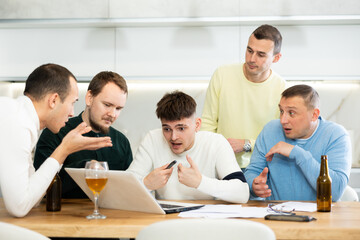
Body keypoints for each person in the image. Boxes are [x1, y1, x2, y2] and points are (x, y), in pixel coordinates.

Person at [0, 64, 113, 217]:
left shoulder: (21, 119)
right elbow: (19, 207)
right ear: (53, 100)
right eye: (72, 102)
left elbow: (32, 198)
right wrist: (64, 149)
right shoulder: (18, 123)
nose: (73, 113)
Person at [127, 91, 249, 203]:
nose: (173, 137)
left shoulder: (215, 142)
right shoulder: (152, 139)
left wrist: (200, 182)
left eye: (181, 128)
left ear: (197, 125)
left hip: (205, 221)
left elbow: (242, 193)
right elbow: (124, 188)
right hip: (165, 220)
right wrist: (146, 184)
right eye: (167, 129)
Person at [34, 71, 133, 198]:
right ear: (89, 98)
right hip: (62, 216)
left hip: (109, 216)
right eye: (107, 105)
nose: (113, 114)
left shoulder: (122, 142)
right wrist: (83, 168)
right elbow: (41, 186)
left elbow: (128, 189)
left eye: (118, 108)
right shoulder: (56, 131)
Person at [244, 84, 351, 201]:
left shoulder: (336, 135)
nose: (283, 120)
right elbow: (253, 171)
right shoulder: (270, 130)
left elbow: (335, 192)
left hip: (320, 217)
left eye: (291, 113)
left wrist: (297, 153)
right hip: (276, 215)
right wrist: (254, 185)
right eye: (281, 111)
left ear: (314, 115)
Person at [201, 24, 286, 169]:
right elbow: (207, 124)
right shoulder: (222, 74)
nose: (251, 59)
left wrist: (247, 144)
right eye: (249, 50)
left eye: (261, 54)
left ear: (276, 58)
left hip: (262, 167)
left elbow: (280, 138)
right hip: (221, 165)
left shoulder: (282, 89)